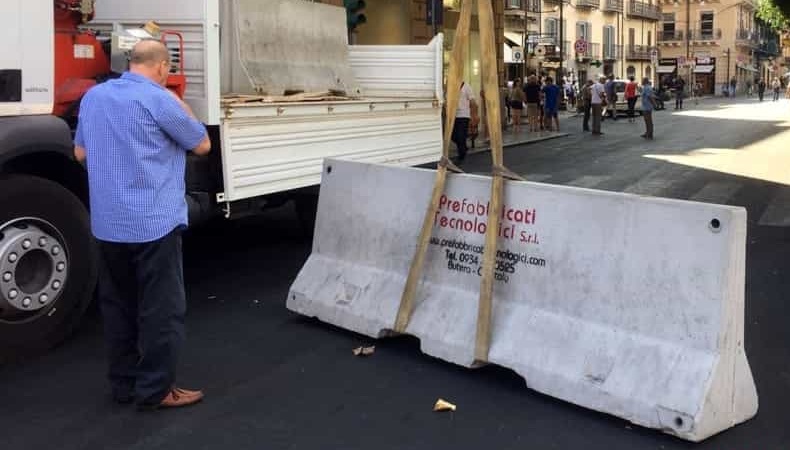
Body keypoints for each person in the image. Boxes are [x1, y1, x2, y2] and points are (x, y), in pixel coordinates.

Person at [73, 40, 211, 410]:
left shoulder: (93, 97)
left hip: (108, 223)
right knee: (161, 309)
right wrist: (178, 101)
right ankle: (156, 390)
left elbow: (80, 152)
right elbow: (201, 145)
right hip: (153, 223)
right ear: (162, 66)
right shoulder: (160, 99)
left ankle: (124, 385)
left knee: (118, 306)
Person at [451, 81, 476, 161]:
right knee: (453, 136)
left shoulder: (466, 86)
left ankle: (461, 155)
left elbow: (473, 101)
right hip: (454, 115)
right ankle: (464, 147)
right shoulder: (453, 86)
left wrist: (473, 116)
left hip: (464, 115)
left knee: (460, 136)